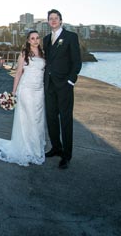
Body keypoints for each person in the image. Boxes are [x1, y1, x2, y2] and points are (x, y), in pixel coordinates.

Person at [0, 30, 46, 166]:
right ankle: (28, 150)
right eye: (32, 38)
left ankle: (36, 148)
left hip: (39, 91)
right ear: (28, 41)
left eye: (37, 38)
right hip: (26, 90)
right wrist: (14, 92)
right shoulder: (24, 54)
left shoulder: (43, 54)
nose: (35, 40)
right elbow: (18, 74)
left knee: (38, 120)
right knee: (30, 120)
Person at [43, 9, 82, 169]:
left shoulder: (70, 37)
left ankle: (66, 155)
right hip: (49, 85)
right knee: (51, 118)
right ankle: (56, 147)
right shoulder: (46, 39)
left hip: (64, 86)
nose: (53, 21)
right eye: (50, 19)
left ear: (61, 20)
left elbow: (77, 62)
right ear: (48, 22)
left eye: (55, 18)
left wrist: (71, 81)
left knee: (65, 120)